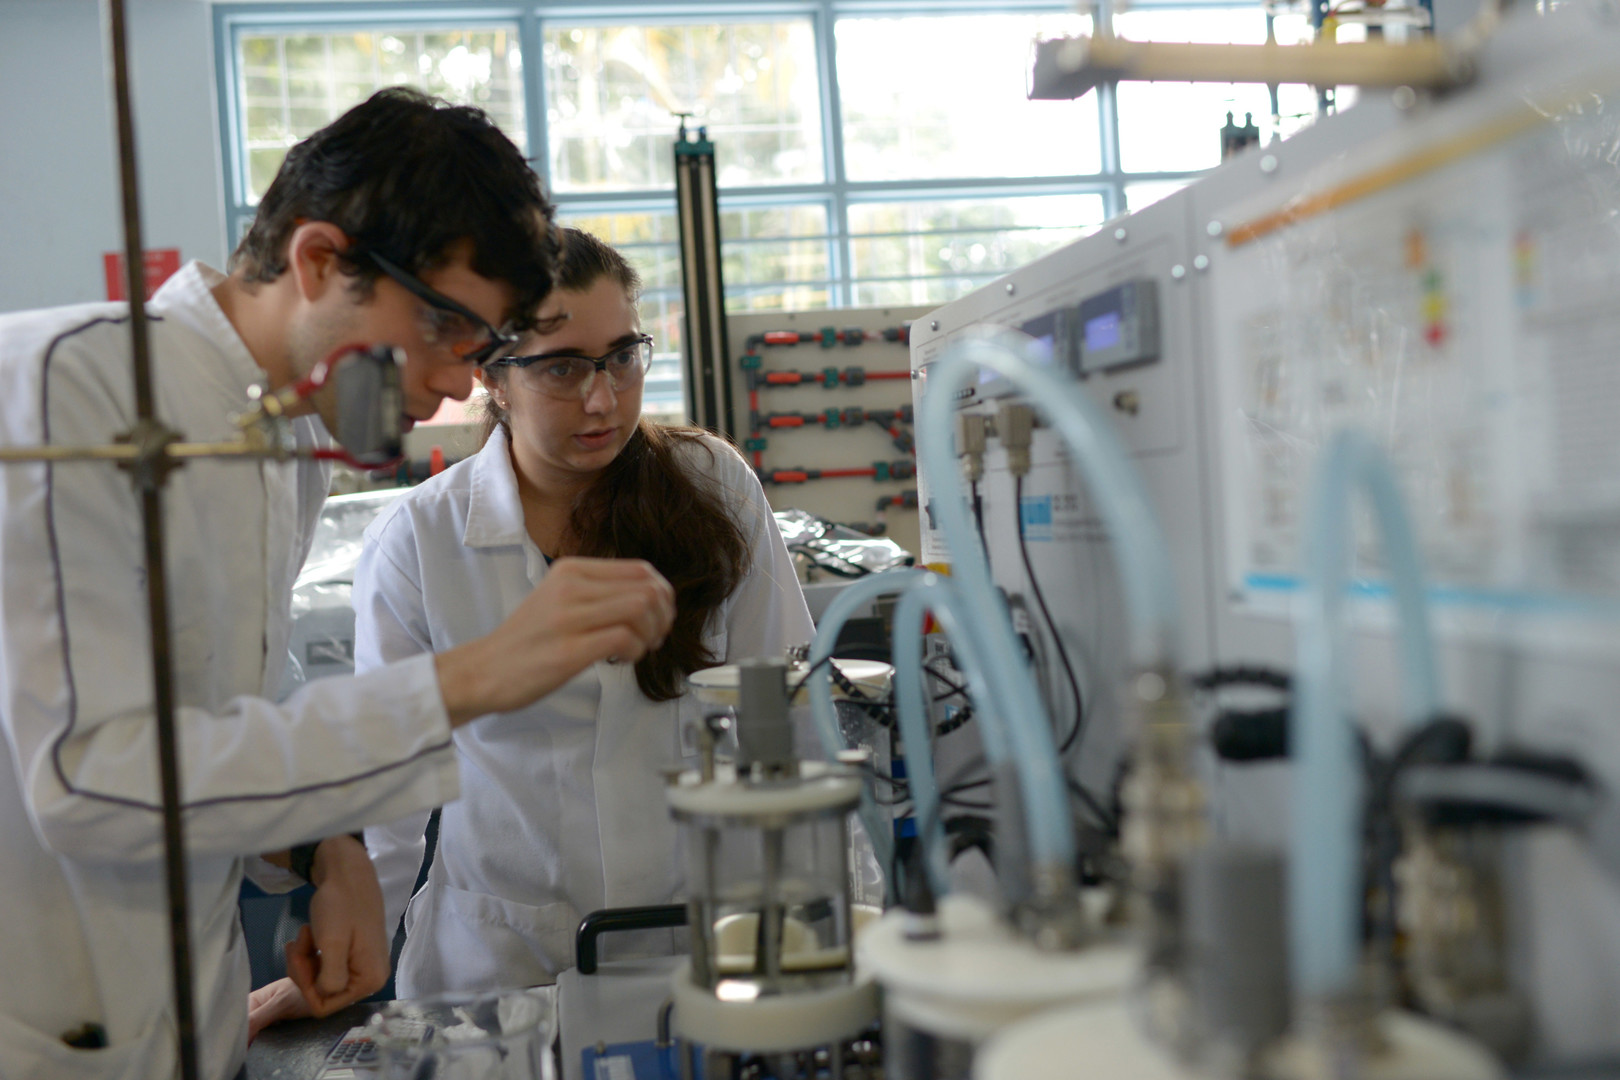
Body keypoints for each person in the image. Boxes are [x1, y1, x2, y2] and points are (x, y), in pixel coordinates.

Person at [0, 90, 674, 1080]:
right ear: (319, 261)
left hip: (179, 1023)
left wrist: (324, 849)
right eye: (446, 325)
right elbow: (87, 780)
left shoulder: (285, 440)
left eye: (483, 346)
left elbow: (221, 708)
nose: (460, 382)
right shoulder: (76, 385)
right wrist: (469, 679)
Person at [349, 228, 814, 995]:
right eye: (563, 368)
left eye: (622, 358)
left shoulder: (711, 485)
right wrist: (356, 943)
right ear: (494, 377)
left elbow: (787, 709)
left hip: (695, 941)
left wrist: (830, 912)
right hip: (500, 962)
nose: (602, 399)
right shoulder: (420, 538)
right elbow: (389, 775)